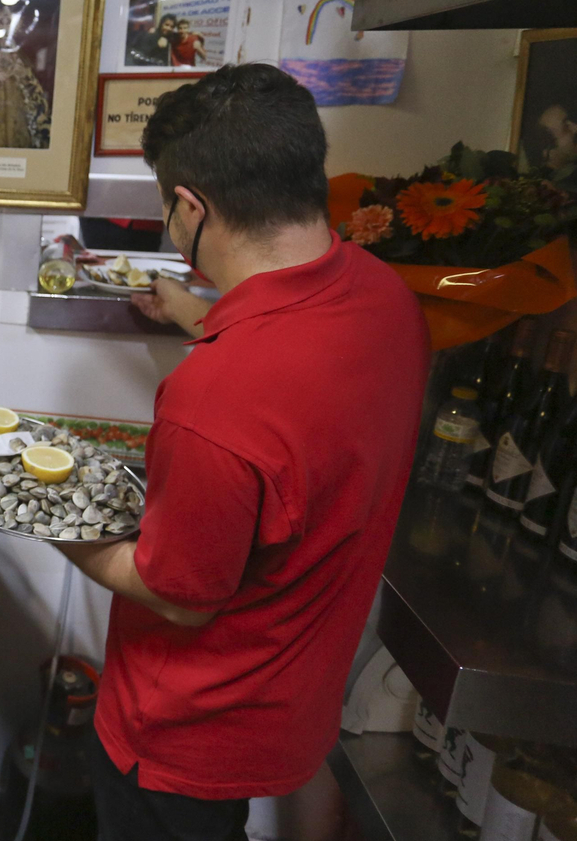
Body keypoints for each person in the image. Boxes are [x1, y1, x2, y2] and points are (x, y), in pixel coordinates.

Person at [46, 64, 429, 841]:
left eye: (166, 206)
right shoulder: (386, 297)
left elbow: (178, 592)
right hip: (288, 707)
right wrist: (200, 316)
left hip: (182, 733)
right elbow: (300, 402)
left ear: (191, 207)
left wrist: (50, 521)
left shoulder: (215, 399)